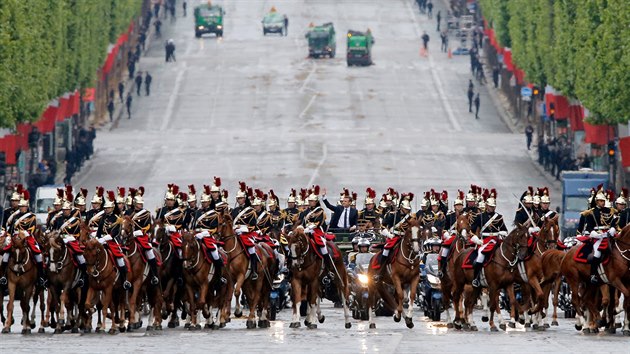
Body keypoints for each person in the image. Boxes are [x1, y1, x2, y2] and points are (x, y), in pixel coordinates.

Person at [0, 190, 48, 287]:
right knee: (6, 254)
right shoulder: (15, 217)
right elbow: (11, 228)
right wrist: (9, 235)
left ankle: (41, 277)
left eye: (23, 207)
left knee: (38, 254)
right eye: (21, 207)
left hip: (27, 237)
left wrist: (24, 234)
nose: (22, 208)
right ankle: (3, 276)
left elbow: (32, 228)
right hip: (16, 238)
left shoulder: (32, 216)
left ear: (27, 207)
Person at [470, 190, 507, 287]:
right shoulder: (480, 217)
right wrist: (475, 238)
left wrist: (502, 232)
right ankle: (476, 278)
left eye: (493, 207)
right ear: (486, 206)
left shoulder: (499, 217)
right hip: (484, 241)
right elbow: (471, 230)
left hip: (496, 240)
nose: (492, 208)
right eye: (490, 206)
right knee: (480, 257)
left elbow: (504, 230)